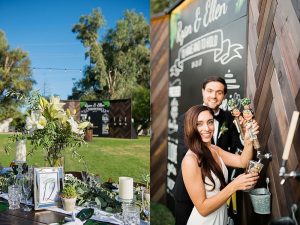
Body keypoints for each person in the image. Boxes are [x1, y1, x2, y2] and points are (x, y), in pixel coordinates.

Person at [174, 105, 259, 225]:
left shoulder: (214, 149)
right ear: (191, 127)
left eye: (210, 122)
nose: (207, 128)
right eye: (199, 124)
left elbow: (242, 162)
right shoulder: (190, 160)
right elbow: (203, 209)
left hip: (220, 217)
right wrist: (234, 186)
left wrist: (248, 141)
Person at [175, 76, 244, 224]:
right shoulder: (186, 118)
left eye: (219, 92)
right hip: (189, 191)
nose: (213, 96)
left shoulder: (229, 119)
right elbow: (185, 151)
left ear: (224, 95)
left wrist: (248, 135)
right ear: (202, 92)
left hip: (218, 189)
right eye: (210, 91)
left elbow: (237, 149)